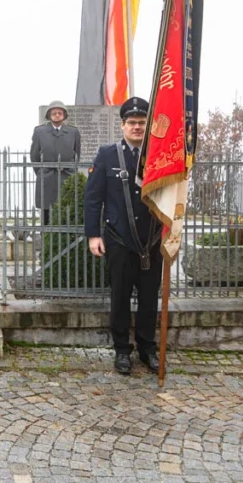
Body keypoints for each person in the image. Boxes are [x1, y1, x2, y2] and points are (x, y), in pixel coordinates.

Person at [83, 97, 162, 375]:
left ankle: (147, 348)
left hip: (152, 241)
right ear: (123, 125)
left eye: (142, 123)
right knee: (120, 297)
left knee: (150, 298)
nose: (137, 128)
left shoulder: (159, 155)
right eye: (132, 123)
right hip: (119, 239)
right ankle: (121, 350)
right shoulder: (107, 155)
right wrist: (93, 235)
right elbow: (93, 198)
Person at [30, 101, 81, 225]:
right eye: (54, 113)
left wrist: (69, 169)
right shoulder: (40, 131)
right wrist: (43, 171)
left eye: (60, 113)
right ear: (49, 115)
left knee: (67, 209)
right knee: (47, 212)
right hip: (47, 176)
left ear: (64, 115)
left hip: (66, 175)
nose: (57, 115)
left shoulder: (73, 132)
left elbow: (77, 154)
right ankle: (46, 240)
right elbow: (34, 155)